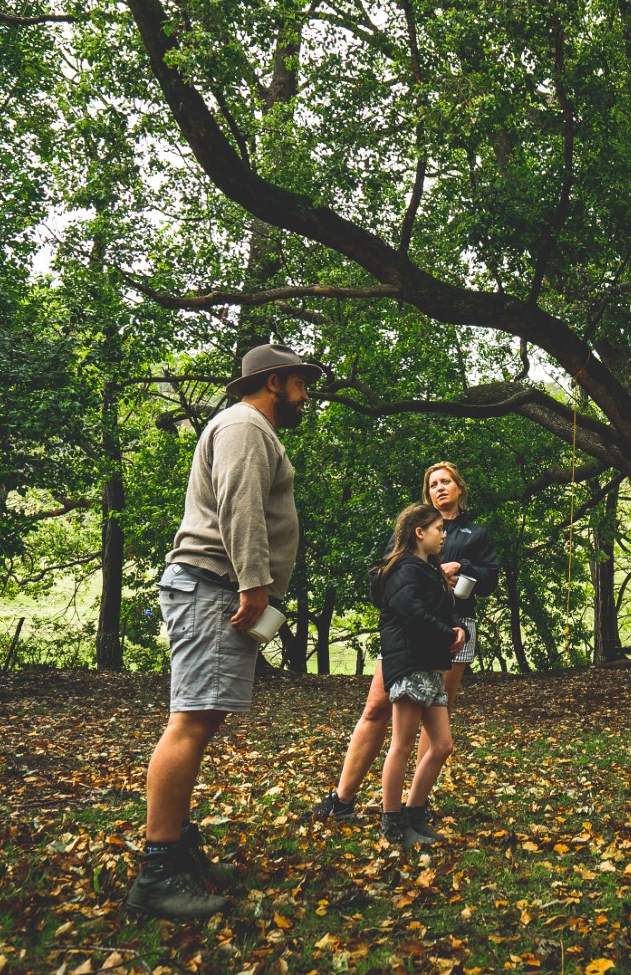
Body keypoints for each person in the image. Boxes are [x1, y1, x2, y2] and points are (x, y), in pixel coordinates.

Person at [124, 342, 324, 921]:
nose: (305, 394)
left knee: (201, 717)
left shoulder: (245, 426)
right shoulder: (244, 425)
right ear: (274, 381)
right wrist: (253, 586)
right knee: (188, 722)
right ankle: (157, 873)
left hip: (218, 587)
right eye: (299, 382)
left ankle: (179, 854)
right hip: (216, 587)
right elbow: (241, 507)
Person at [312, 461, 498, 822]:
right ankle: (342, 798)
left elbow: (490, 579)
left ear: (459, 488)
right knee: (375, 707)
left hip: (456, 627)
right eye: (433, 484)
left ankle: (416, 804)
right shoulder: (415, 527)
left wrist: (462, 569)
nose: (440, 488)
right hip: (409, 629)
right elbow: (388, 570)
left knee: (434, 715)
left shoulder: (475, 534)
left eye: (446, 482)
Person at [371, 503, 465, 845]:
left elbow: (444, 610)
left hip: (430, 665)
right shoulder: (403, 569)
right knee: (402, 745)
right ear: (419, 533)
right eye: (439, 529)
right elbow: (412, 611)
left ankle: (413, 812)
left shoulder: (430, 569)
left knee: (441, 746)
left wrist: (457, 630)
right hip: (409, 664)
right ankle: (392, 823)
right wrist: (445, 633)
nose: (444, 534)